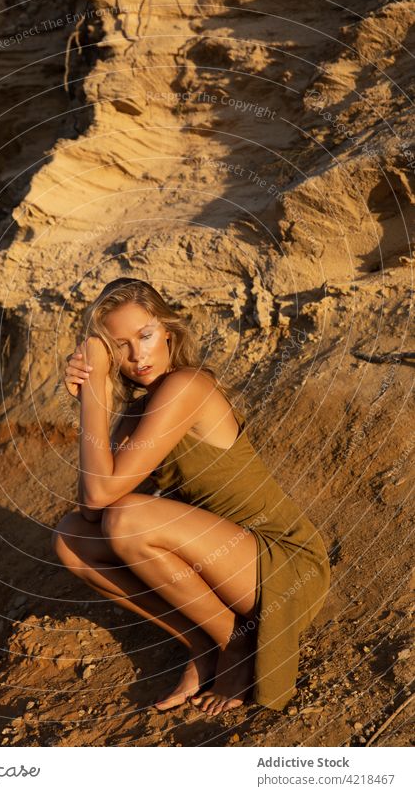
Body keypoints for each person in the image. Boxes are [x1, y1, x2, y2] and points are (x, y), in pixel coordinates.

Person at [51, 277, 330, 716]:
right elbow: (90, 509)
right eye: (117, 346)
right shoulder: (138, 412)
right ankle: (204, 642)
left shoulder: (187, 386)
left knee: (128, 519)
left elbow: (107, 497)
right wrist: (96, 397)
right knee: (71, 538)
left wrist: (94, 385)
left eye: (144, 336)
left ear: (168, 331)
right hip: (226, 564)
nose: (136, 355)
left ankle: (235, 646)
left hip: (280, 565)